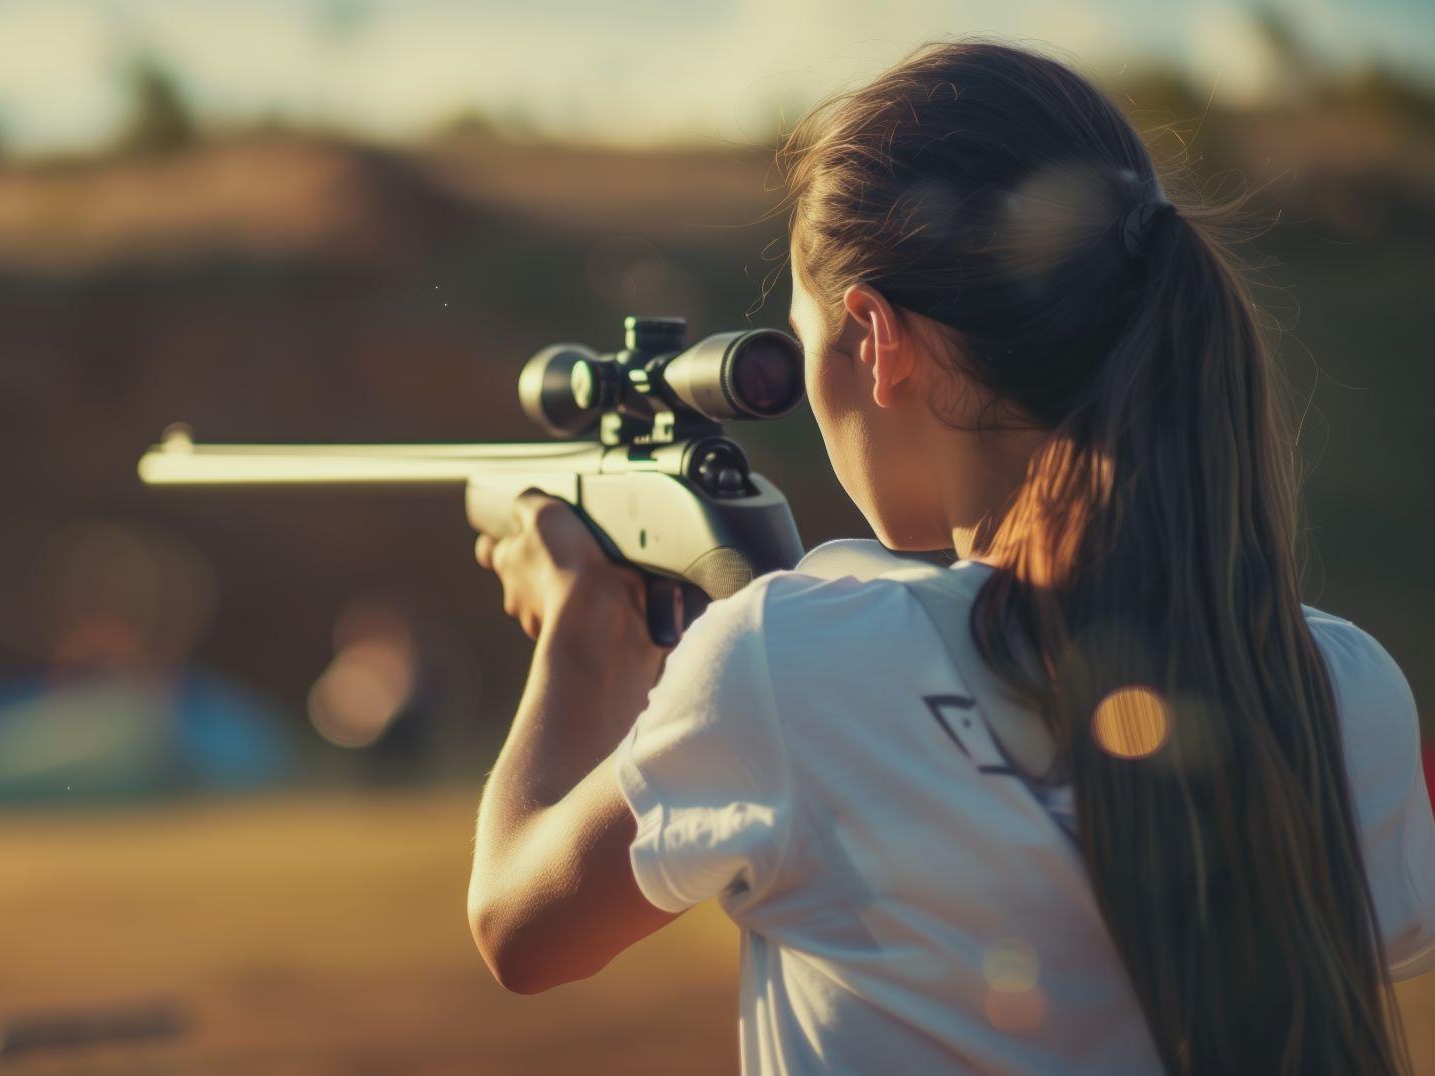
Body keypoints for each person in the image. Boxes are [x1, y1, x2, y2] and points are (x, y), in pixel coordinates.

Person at [467, 40, 1435, 1074]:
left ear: (878, 337)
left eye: (804, 344)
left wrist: (580, 633)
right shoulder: (1349, 686)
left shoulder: (789, 659)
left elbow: (523, 929)